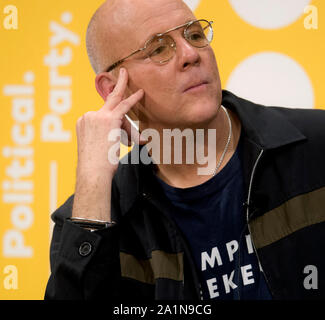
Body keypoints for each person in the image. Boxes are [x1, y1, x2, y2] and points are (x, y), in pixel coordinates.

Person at [45, 0, 325, 300]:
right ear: (113, 88)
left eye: (194, 35)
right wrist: (93, 182)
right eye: (159, 48)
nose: (191, 54)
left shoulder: (316, 144)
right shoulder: (95, 214)